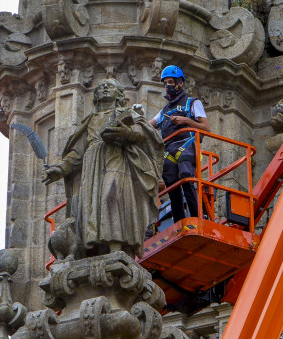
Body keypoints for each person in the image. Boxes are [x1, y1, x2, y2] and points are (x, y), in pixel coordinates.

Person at [43, 79, 163, 258]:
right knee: (91, 206)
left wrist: (127, 133)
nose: (105, 88)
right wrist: (60, 169)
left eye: (111, 86)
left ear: (120, 95)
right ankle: (97, 249)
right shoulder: (90, 120)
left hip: (116, 158)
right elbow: (77, 153)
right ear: (96, 96)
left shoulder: (126, 113)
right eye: (101, 87)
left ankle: (117, 246)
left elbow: (144, 134)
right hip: (92, 164)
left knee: (111, 195)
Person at [150, 65, 210, 223]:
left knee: (186, 174)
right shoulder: (165, 110)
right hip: (169, 150)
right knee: (171, 184)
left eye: (171, 82)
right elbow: (150, 124)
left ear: (180, 83)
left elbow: (206, 128)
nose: (168, 86)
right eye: (165, 83)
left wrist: (186, 120)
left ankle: (198, 216)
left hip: (187, 144)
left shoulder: (192, 103)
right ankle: (179, 222)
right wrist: (135, 119)